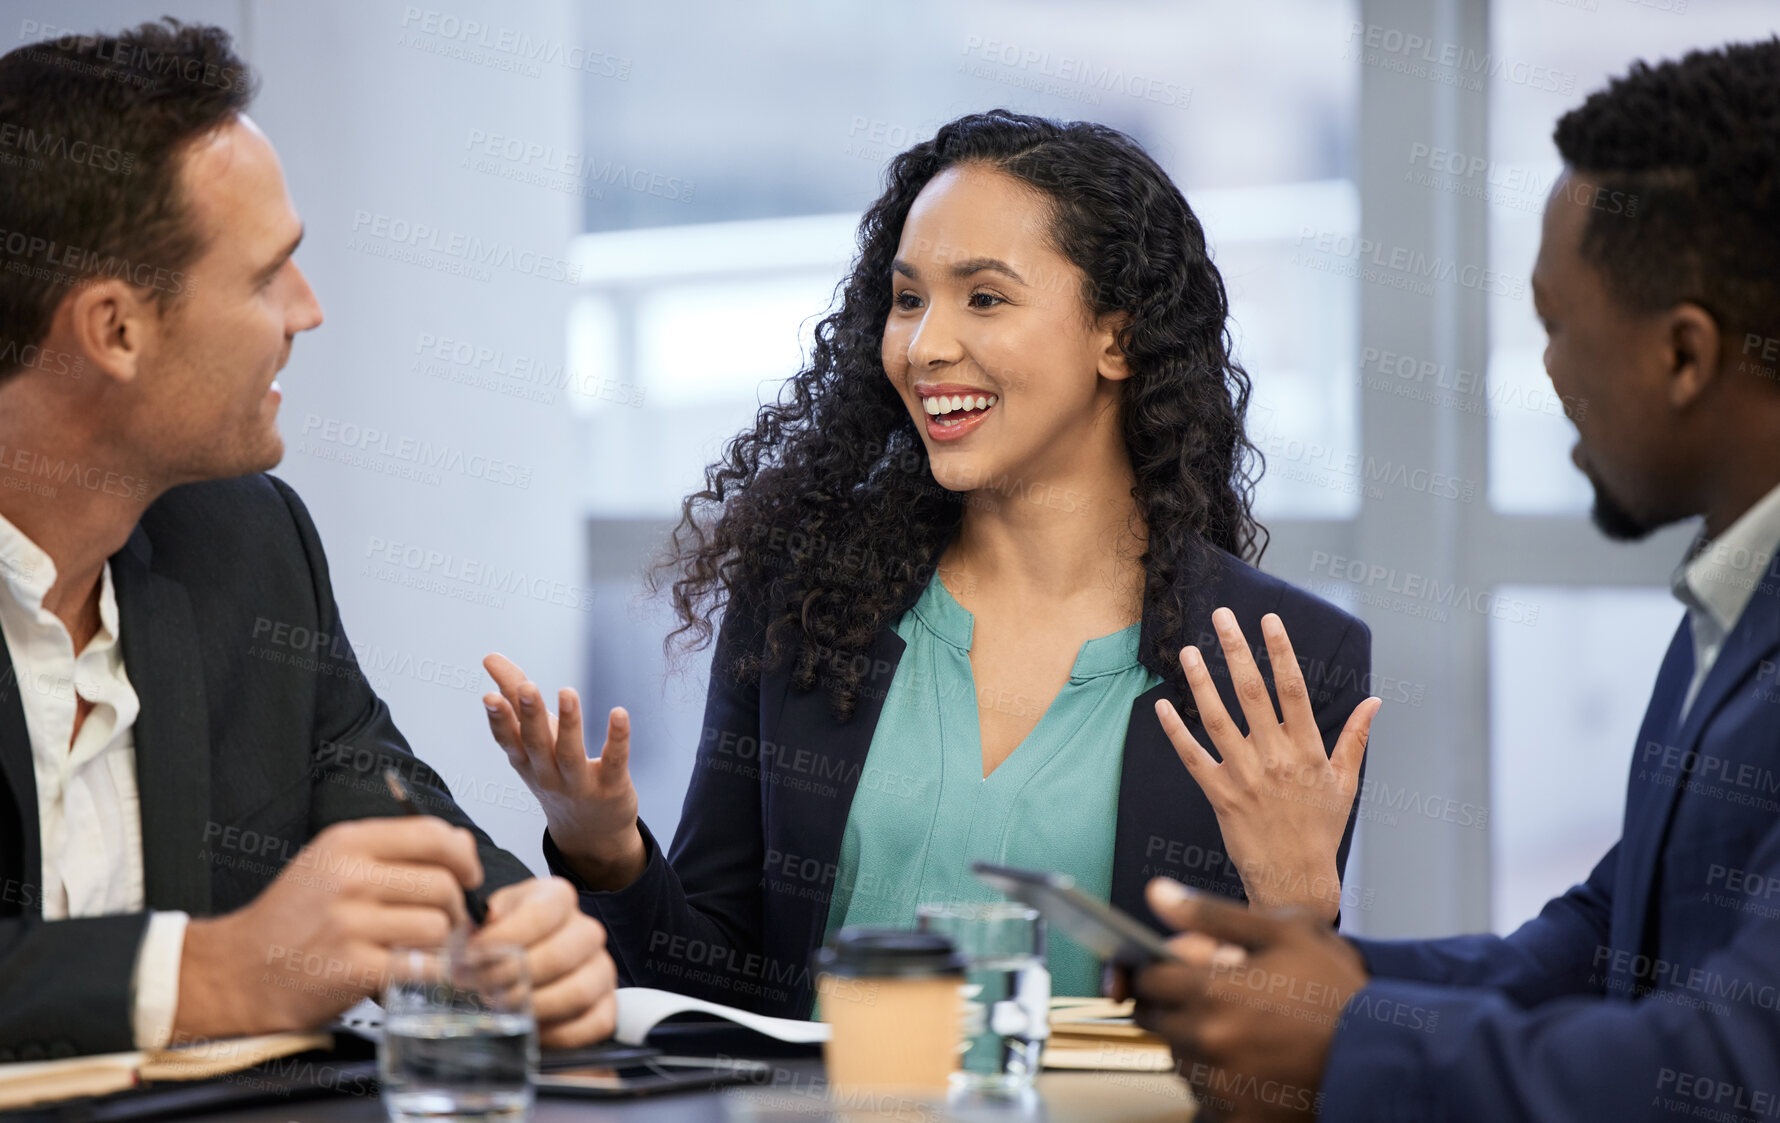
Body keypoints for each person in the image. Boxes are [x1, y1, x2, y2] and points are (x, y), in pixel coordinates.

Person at [483, 110, 1383, 1020]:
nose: (923, 346)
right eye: (908, 299)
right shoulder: (806, 605)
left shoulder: (1281, 665)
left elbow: (1269, 1058)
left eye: (983, 298)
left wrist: (1300, 904)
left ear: (1118, 337)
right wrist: (604, 852)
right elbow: (716, 993)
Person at [1129, 40, 1780, 1122]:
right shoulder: (1733, 596)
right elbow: (1602, 939)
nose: (1548, 370)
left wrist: (1350, 1040)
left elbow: (1739, 1068)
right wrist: (1310, 984)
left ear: (1683, 355)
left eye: (1557, 325)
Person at [0, 20, 616, 1058]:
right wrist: (213, 973)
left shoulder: (246, 548)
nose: (309, 310)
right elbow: (238, 966)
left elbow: (405, 842)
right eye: (266, 275)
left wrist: (523, 944)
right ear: (113, 330)